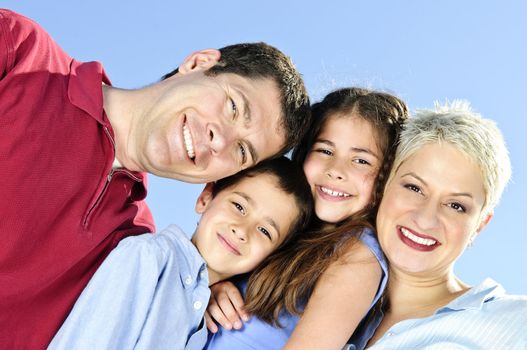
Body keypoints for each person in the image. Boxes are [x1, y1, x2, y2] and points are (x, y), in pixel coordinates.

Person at [0, 8, 311, 349]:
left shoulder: (133, 245)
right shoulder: (20, 51)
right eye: (233, 106)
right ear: (198, 63)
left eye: (241, 151)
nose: (219, 139)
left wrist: (211, 286)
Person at [205, 88, 409, 349]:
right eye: (325, 151)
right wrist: (212, 289)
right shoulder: (281, 229)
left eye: (360, 160)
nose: (336, 170)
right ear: (304, 152)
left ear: (386, 175)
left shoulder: (358, 253)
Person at [48, 157, 313, 350]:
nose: (242, 230)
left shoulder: (208, 319)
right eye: (239, 206)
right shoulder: (149, 259)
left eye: (265, 231)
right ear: (205, 198)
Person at [359, 101, 527, 349]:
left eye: (456, 205)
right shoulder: (319, 304)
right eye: (414, 188)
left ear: (480, 225)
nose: (426, 219)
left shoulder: (516, 321)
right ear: (383, 186)